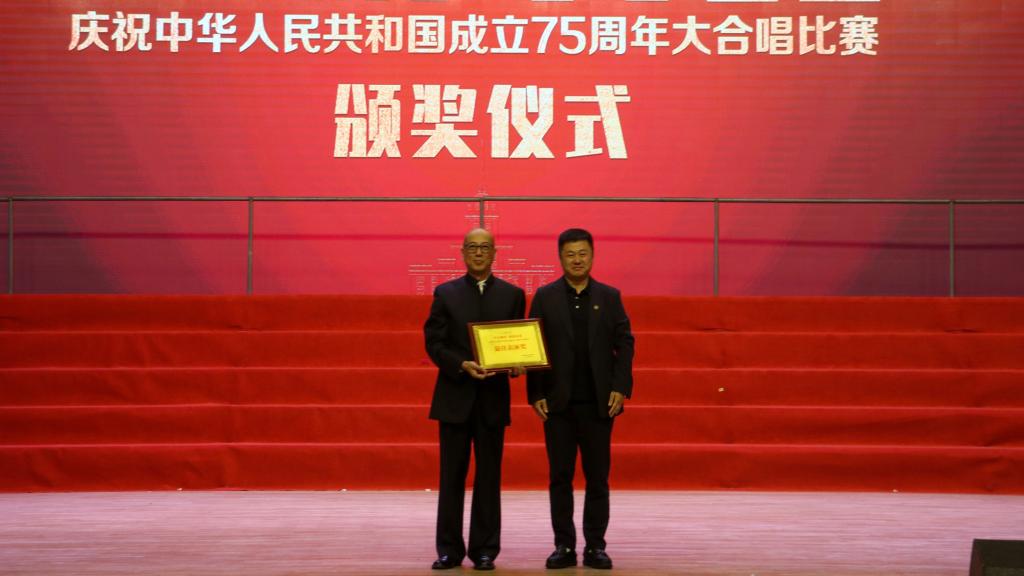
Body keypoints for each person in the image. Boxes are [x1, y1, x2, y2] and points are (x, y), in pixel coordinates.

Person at [527, 228, 635, 571]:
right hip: (558, 404)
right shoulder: (545, 297)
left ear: (592, 255)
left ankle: (595, 547)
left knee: (597, 478)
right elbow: (533, 345)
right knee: (560, 477)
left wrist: (620, 386)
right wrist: (535, 393)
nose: (577, 260)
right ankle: (563, 545)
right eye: (570, 254)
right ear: (560, 258)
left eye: (583, 253)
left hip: (598, 404)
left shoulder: (610, 296)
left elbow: (625, 343)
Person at [424, 228, 526, 571]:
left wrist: (518, 364)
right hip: (454, 397)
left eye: (485, 247)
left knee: (489, 478)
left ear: (495, 253)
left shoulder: (513, 295)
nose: (479, 252)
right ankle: (449, 550)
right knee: (451, 477)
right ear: (463, 252)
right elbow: (434, 343)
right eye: (472, 247)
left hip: (492, 399)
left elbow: (518, 341)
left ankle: (485, 550)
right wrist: (461, 364)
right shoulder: (446, 293)